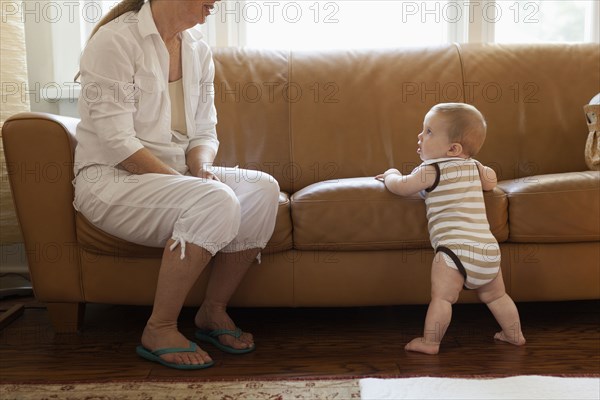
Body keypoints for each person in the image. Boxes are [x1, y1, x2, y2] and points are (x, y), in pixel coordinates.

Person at [73, 0, 280, 369]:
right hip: (111, 180)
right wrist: (192, 187)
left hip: (174, 178)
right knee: (215, 200)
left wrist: (200, 170)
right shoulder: (115, 42)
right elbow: (117, 144)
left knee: (262, 189)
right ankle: (159, 327)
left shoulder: (197, 47)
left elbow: (204, 129)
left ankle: (212, 312)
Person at [376, 103, 526, 355]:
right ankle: (514, 335)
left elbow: (401, 187)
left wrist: (391, 173)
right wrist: (481, 169)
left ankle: (430, 342)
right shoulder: (475, 167)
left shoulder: (430, 170)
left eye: (429, 131)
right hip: (487, 249)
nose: (420, 136)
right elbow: (491, 181)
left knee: (443, 299)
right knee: (497, 297)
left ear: (453, 148)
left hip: (453, 251)